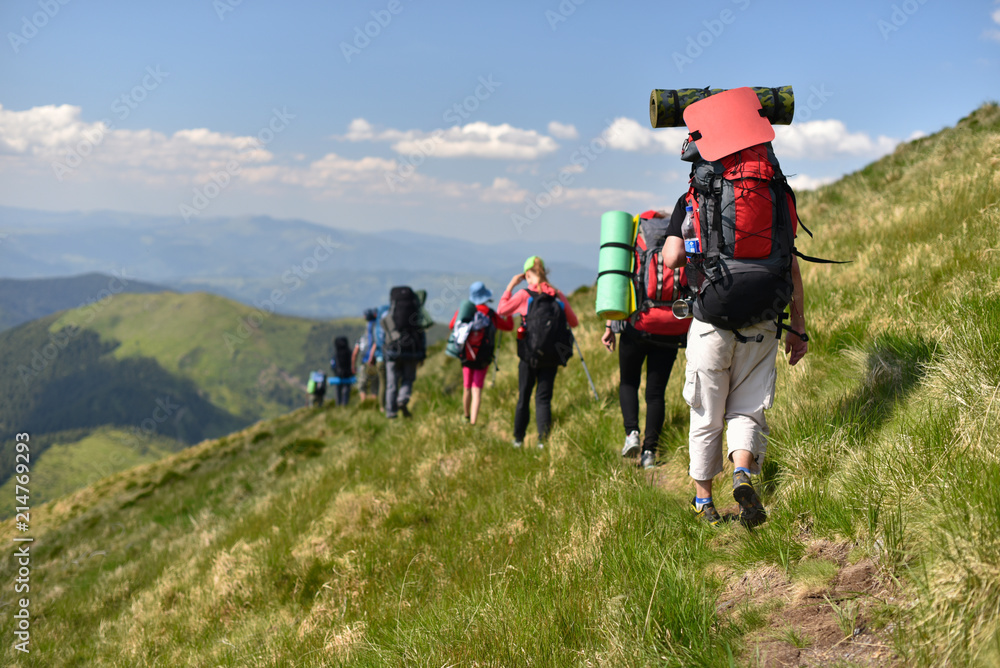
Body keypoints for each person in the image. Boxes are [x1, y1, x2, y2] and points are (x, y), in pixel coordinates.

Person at [664, 102, 809, 527]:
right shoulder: (776, 192)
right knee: (748, 408)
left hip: (712, 318)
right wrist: (798, 325)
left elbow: (672, 257)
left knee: (706, 412)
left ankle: (704, 502)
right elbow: (792, 262)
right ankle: (743, 471)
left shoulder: (692, 196)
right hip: (764, 316)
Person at [601, 210, 691, 470]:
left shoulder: (638, 237)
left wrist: (610, 325)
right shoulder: (680, 235)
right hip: (673, 326)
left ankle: (632, 434)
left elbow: (620, 283)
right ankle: (650, 452)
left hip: (638, 325)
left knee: (628, 382)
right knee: (656, 393)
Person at [498, 256, 579, 448]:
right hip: (552, 355)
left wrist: (510, 285)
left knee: (524, 396)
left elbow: (502, 310)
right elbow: (573, 322)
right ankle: (543, 441)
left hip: (529, 354)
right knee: (544, 398)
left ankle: (518, 439)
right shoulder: (557, 294)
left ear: (527, 275)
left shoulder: (524, 295)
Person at [448, 281, 514, 425]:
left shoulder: (465, 311)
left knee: (467, 387)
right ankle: (473, 422)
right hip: (483, 357)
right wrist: (507, 313)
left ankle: (465, 417)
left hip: (466, 354)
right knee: (476, 389)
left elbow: (452, 326)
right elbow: (509, 327)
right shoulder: (491, 315)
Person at [381, 287, 433, 419]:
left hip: (393, 351)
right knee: (408, 379)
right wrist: (422, 355)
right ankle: (402, 399)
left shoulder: (389, 314)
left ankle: (391, 412)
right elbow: (422, 336)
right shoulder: (417, 314)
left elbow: (383, 335)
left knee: (391, 383)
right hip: (412, 352)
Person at [353, 308, 379, 403]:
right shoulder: (377, 325)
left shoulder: (369, 328)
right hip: (376, 359)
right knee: (374, 385)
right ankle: (374, 403)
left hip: (366, 360)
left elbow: (355, 352)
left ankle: (364, 403)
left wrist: (353, 366)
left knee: (362, 385)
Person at [329, 336, 356, 406]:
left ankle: (338, 405)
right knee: (346, 391)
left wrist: (336, 372)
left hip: (338, 376)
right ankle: (345, 405)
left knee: (338, 392)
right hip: (348, 375)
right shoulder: (349, 352)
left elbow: (333, 365)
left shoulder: (336, 353)